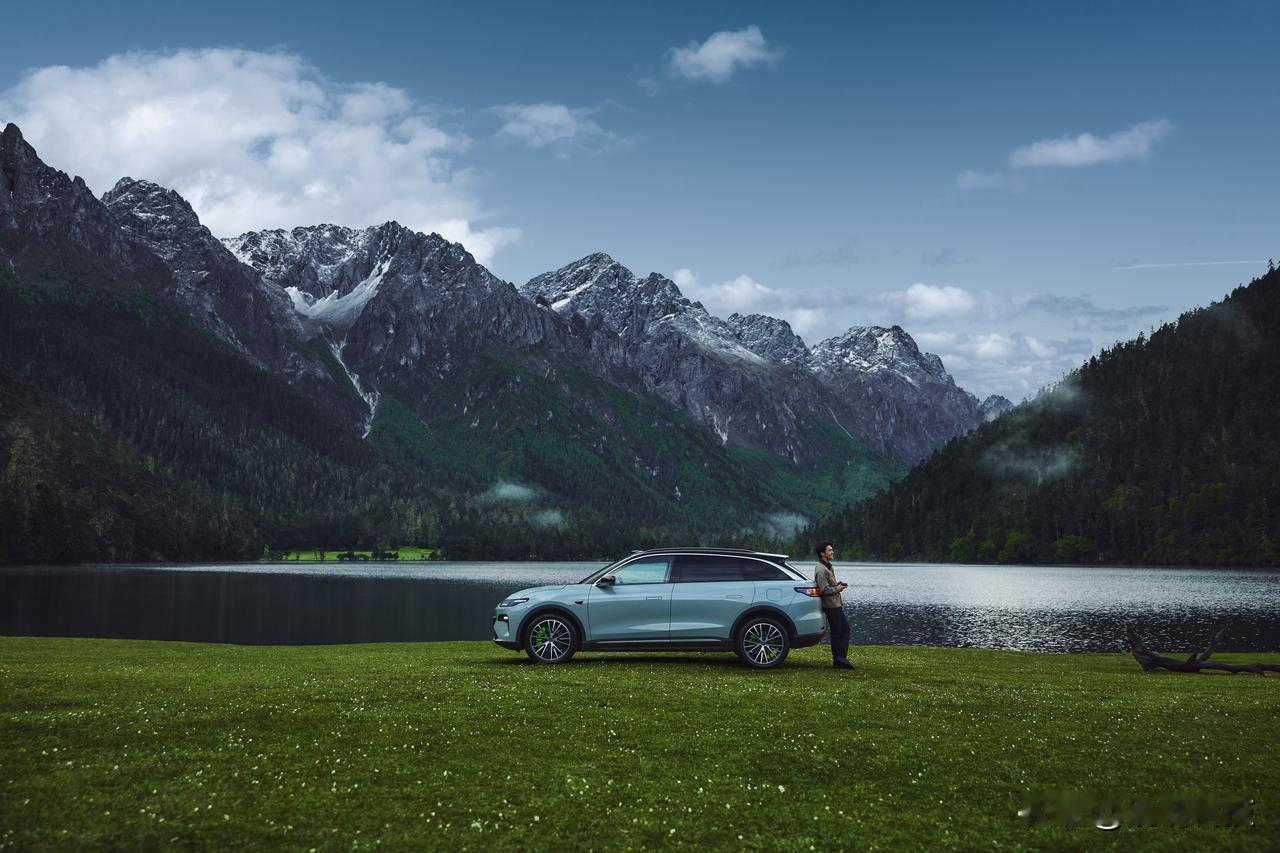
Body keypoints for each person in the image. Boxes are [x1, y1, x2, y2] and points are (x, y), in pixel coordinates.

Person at [814, 541, 853, 669]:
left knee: (844, 629)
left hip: (836, 604)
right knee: (837, 632)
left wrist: (837, 585)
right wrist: (837, 589)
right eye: (829, 550)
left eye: (832, 550)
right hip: (830, 605)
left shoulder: (829, 566)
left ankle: (840, 658)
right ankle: (838, 659)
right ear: (822, 553)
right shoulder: (821, 569)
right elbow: (824, 590)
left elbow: (829, 586)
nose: (832, 552)